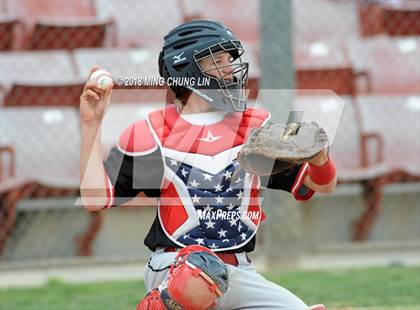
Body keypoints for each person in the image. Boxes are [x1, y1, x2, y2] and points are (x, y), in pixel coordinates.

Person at [79, 20, 336, 310]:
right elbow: (94, 198)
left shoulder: (255, 127)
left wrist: (319, 159)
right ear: (188, 70)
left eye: (231, 59)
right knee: (198, 280)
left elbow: (321, 184)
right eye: (218, 60)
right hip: (175, 267)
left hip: (239, 271)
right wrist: (92, 125)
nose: (230, 68)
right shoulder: (152, 132)